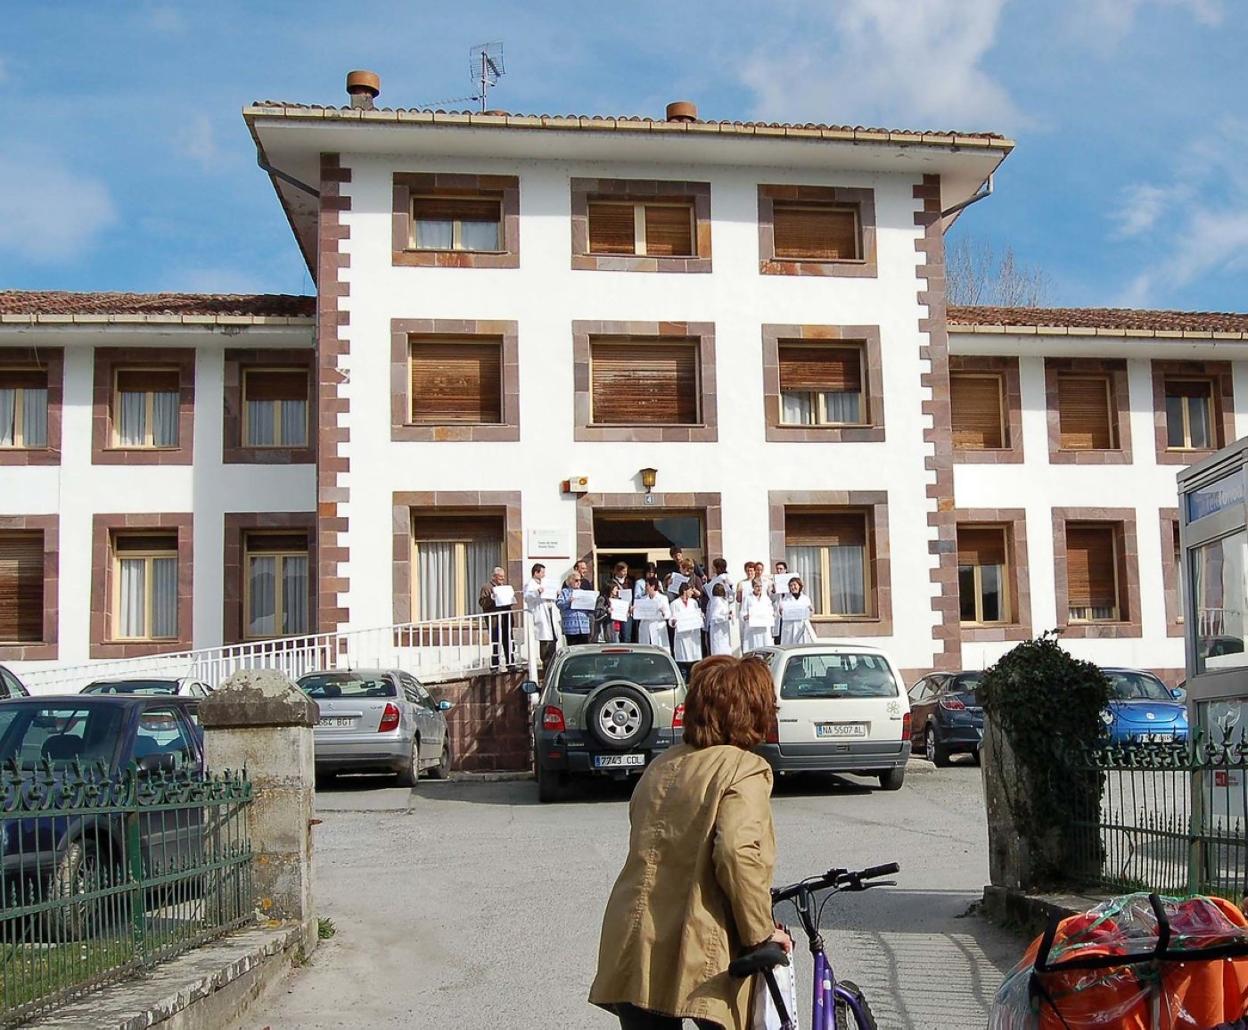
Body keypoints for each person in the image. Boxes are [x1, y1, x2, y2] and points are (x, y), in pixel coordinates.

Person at [589, 656, 791, 1029]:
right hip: (698, 944)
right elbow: (735, 852)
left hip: (634, 939)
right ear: (754, 710)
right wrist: (761, 933)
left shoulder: (661, 765)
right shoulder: (744, 768)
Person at [478, 566, 516, 669]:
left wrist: (511, 598)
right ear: (494, 577)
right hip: (494, 620)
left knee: (508, 641)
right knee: (496, 642)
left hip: (505, 619)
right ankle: (494, 665)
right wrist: (491, 598)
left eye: (503, 577)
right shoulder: (487, 587)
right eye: (500, 577)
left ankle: (510, 663)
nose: (502, 580)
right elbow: (482, 603)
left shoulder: (504, 587)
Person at [522, 563, 558, 670]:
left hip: (550, 612)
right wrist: (537, 591)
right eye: (542, 572)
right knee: (545, 642)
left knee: (553, 639)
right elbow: (527, 597)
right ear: (536, 572)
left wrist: (556, 593)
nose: (544, 574)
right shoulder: (530, 584)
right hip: (541, 615)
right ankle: (546, 666)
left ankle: (552, 665)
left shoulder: (545, 583)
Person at [669, 580, 704, 680]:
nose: (692, 592)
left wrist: (700, 617)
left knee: (694, 664)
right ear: (684, 590)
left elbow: (697, 616)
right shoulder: (674, 604)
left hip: (693, 637)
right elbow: (671, 619)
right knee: (683, 664)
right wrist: (674, 622)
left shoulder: (694, 603)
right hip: (682, 637)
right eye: (691, 590)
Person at [776, 576, 816, 645]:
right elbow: (780, 612)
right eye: (791, 585)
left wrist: (810, 612)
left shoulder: (805, 598)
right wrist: (780, 611)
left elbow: (811, 611)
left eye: (795, 585)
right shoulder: (785, 599)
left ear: (799, 586)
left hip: (801, 627)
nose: (793, 587)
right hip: (789, 628)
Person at [634, 577, 672, 651]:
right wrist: (634, 611)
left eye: (647, 585)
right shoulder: (642, 599)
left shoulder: (663, 598)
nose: (645, 588)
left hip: (658, 627)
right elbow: (637, 614)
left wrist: (663, 612)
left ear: (653, 586)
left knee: (659, 650)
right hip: (645, 627)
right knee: (645, 650)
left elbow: (668, 614)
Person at [557, 572, 592, 646]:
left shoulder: (584, 592)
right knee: (573, 649)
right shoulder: (564, 592)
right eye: (576, 580)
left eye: (580, 580)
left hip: (583, 627)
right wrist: (568, 602)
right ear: (570, 581)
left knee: (584, 650)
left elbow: (590, 608)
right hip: (571, 628)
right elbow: (559, 604)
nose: (579, 582)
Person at [740, 579, 774, 653]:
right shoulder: (748, 598)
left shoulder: (766, 598)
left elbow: (771, 610)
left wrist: (769, 615)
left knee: (765, 649)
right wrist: (746, 616)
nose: (759, 588)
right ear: (753, 587)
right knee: (753, 650)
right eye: (757, 586)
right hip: (752, 629)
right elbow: (742, 613)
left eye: (760, 586)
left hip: (763, 629)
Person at [633, 562, 657, 644]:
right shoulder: (640, 582)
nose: (650, 575)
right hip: (644, 612)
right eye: (649, 573)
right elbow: (636, 597)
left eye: (652, 573)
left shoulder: (658, 583)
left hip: (655, 613)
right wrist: (645, 592)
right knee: (645, 637)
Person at [610, 561, 635, 644]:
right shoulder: (611, 583)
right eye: (623, 571)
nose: (625, 573)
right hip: (616, 612)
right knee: (615, 636)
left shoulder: (630, 582)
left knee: (626, 636)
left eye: (626, 571)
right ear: (618, 571)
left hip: (627, 612)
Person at [707, 583, 733, 657]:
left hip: (724, 631)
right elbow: (715, 617)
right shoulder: (716, 601)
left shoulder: (723, 600)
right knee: (719, 651)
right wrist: (726, 617)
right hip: (718, 631)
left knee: (725, 650)